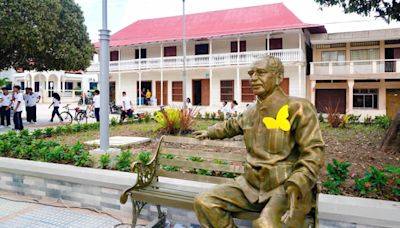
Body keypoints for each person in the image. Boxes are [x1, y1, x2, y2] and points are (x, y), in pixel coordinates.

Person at [193, 56, 325, 227]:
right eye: (251, 74)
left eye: (261, 73)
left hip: (284, 188)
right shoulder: (251, 112)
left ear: (278, 77)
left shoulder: (298, 108)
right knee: (204, 203)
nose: (253, 78)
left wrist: (298, 182)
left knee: (264, 225)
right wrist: (209, 131)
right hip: (250, 186)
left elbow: (314, 151)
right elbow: (231, 126)